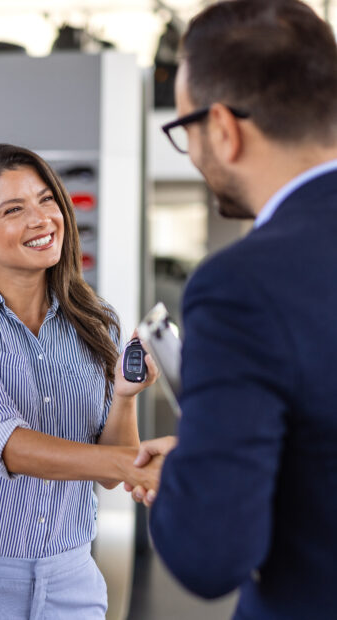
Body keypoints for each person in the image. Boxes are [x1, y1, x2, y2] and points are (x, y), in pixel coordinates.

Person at [130, 1, 337, 618]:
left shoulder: (243, 284)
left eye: (185, 130)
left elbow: (211, 552)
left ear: (222, 127)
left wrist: (194, 473)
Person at [0, 143, 159, 619]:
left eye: (47, 200)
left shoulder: (95, 321)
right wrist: (138, 465)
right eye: (13, 209)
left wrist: (125, 398)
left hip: (73, 580)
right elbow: (5, 443)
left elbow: (108, 477)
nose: (41, 218)